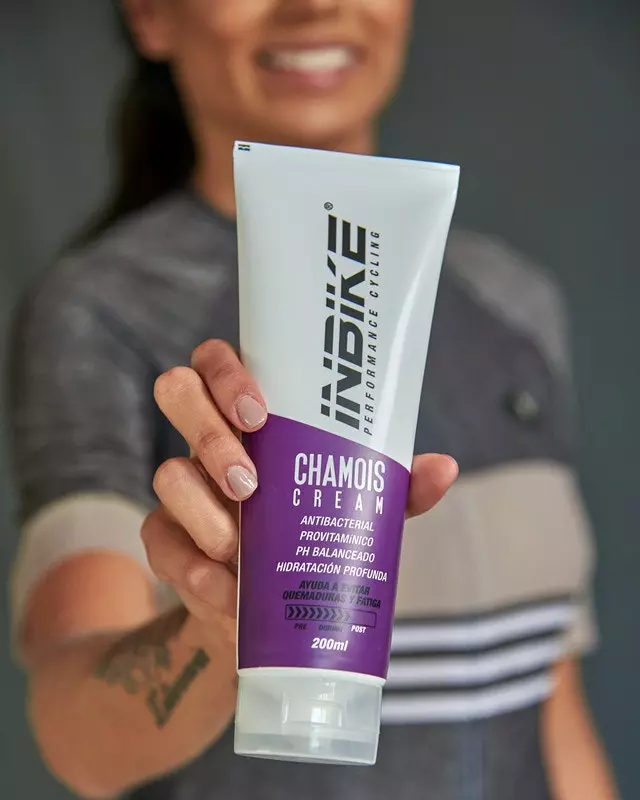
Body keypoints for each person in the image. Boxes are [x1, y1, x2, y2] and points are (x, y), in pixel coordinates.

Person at [9, 1, 617, 798]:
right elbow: (78, 737)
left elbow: (551, 705)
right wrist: (217, 628)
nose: (316, 4)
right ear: (152, 15)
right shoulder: (103, 308)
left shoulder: (512, 302)